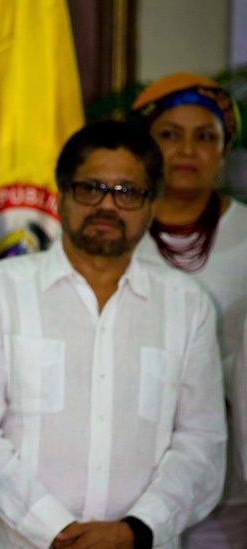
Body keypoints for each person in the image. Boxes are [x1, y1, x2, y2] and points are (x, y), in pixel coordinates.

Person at [0, 120, 226, 548]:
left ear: (151, 205)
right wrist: (54, 529)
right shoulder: (3, 289)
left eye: (127, 192)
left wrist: (135, 530)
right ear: (62, 196)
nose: (107, 206)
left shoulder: (187, 306)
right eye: (91, 188)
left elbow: (201, 444)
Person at [131, 72, 247, 547]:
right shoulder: (111, 230)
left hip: (226, 483)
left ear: (224, 149)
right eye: (169, 135)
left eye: (205, 137)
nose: (186, 150)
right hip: (124, 471)